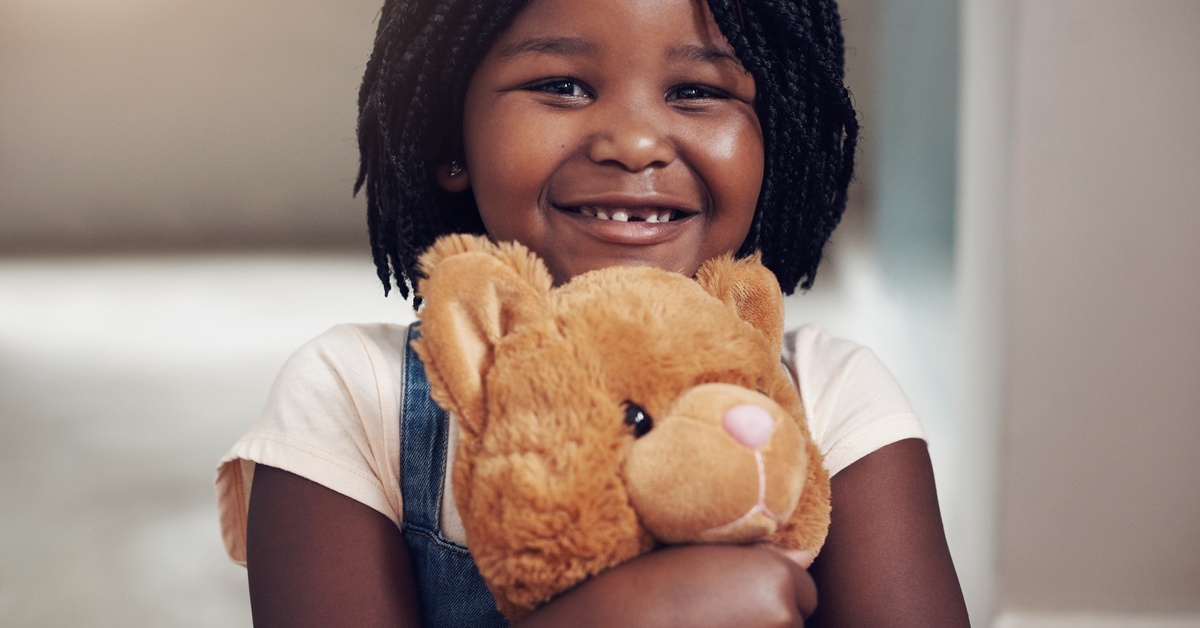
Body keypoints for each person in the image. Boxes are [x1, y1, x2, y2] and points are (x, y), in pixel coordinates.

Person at [215, 0, 970, 625]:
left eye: (698, 92)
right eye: (563, 86)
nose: (634, 144)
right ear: (450, 137)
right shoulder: (355, 398)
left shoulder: (832, 401)